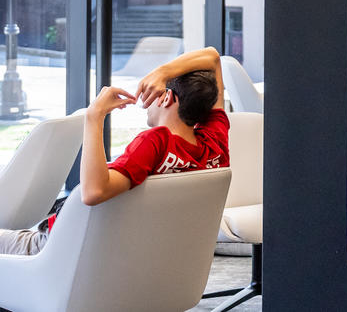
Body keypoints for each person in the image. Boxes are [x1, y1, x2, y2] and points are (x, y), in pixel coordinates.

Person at [0, 46, 228, 256]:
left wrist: (95, 116)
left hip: (60, 247)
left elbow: (93, 192)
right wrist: (163, 73)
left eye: (156, 90)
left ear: (167, 97)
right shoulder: (214, 143)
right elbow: (214, 58)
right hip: (131, 256)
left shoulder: (156, 143)